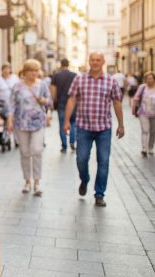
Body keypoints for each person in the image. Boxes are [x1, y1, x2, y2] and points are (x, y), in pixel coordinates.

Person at [63, 52, 124, 207]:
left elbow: (117, 102)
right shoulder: (80, 79)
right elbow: (71, 99)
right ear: (89, 61)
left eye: (98, 60)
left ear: (103, 62)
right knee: (81, 159)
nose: (95, 62)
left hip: (104, 128)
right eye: (92, 60)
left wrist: (121, 124)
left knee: (103, 162)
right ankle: (85, 179)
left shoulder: (111, 81)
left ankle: (99, 194)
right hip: (83, 127)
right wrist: (66, 121)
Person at [8, 59, 52, 196]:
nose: (34, 73)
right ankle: (27, 181)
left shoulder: (42, 84)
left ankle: (37, 182)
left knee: (37, 150)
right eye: (31, 70)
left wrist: (43, 100)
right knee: (25, 152)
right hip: (21, 123)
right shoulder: (17, 86)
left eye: (36, 70)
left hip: (38, 122)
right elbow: (11, 104)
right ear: (25, 72)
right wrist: (9, 120)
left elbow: (49, 101)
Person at [51, 58, 77, 153]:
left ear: (61, 64)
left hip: (61, 102)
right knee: (73, 123)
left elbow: (53, 89)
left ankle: (64, 146)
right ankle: (72, 142)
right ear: (68, 64)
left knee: (62, 124)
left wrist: (54, 101)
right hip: (73, 102)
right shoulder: (74, 75)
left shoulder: (56, 75)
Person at [132, 72, 155, 156]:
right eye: (148, 78)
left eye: (151, 78)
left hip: (154, 114)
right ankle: (144, 148)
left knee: (153, 132)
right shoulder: (142, 87)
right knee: (145, 130)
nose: (149, 80)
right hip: (143, 113)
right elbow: (136, 98)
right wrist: (133, 108)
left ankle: (151, 147)